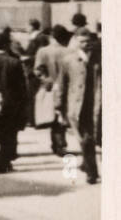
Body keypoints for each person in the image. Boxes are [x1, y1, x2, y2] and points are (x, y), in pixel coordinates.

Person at [55, 30, 100, 184]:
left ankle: (91, 172)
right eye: (82, 41)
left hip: (95, 104)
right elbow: (61, 84)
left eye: (88, 41)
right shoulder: (68, 60)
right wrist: (58, 106)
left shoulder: (99, 59)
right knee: (84, 138)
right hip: (76, 106)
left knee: (88, 138)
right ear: (76, 41)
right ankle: (87, 166)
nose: (86, 45)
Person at [0, 31, 28, 172]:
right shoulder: (15, 62)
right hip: (12, 102)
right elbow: (22, 86)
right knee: (10, 132)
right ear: (5, 45)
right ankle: (6, 160)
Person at [34, 25, 71, 155]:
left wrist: (46, 80)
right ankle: (60, 144)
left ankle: (56, 144)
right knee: (60, 116)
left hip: (49, 88)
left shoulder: (42, 51)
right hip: (64, 87)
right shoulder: (68, 51)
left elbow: (38, 70)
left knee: (53, 116)